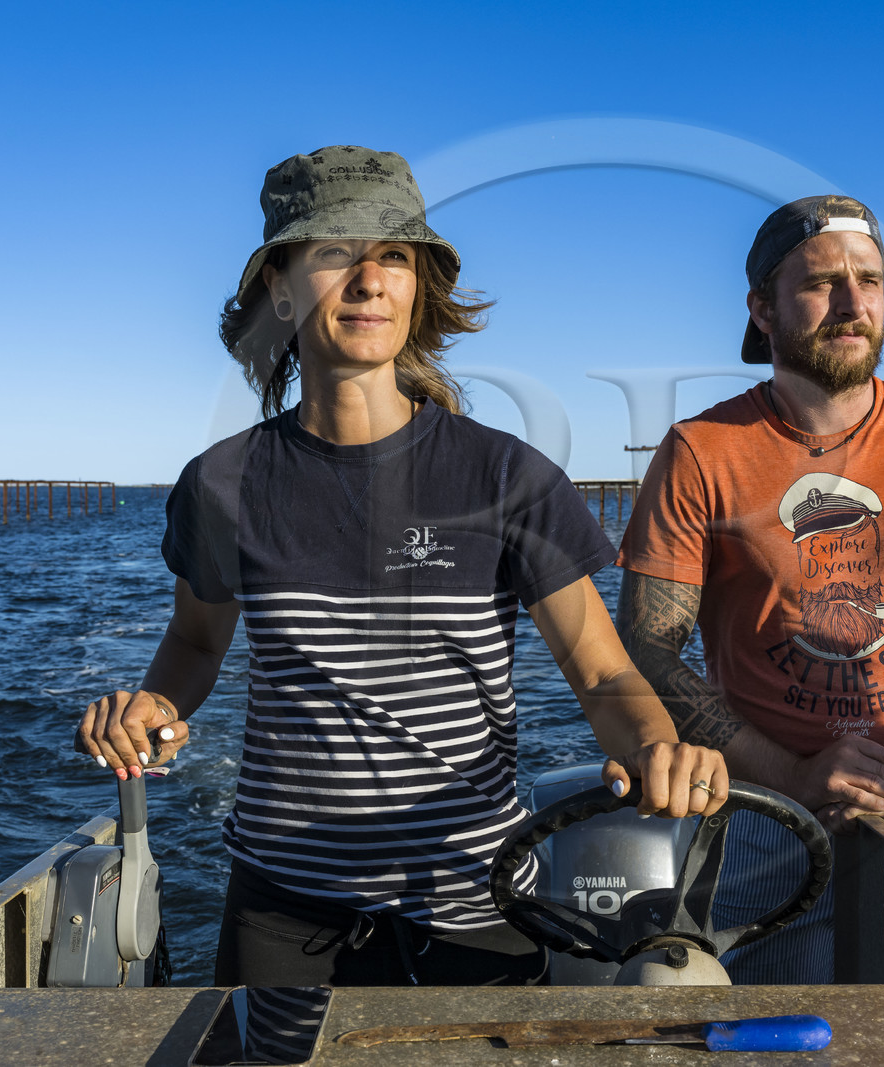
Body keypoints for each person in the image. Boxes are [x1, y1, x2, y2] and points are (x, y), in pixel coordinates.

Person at [74, 145, 729, 988]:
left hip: (478, 905)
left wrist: (658, 746)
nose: (368, 279)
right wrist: (151, 705)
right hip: (282, 906)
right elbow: (196, 646)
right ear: (279, 287)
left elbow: (601, 670)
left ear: (417, 288)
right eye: (333, 253)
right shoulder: (223, 483)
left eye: (393, 256)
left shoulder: (508, 477)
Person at [615, 194, 884, 983]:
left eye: (869, 280)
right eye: (820, 284)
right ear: (762, 309)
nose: (852, 304)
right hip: (764, 805)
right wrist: (793, 776)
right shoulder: (700, 451)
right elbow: (646, 646)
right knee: (765, 1017)